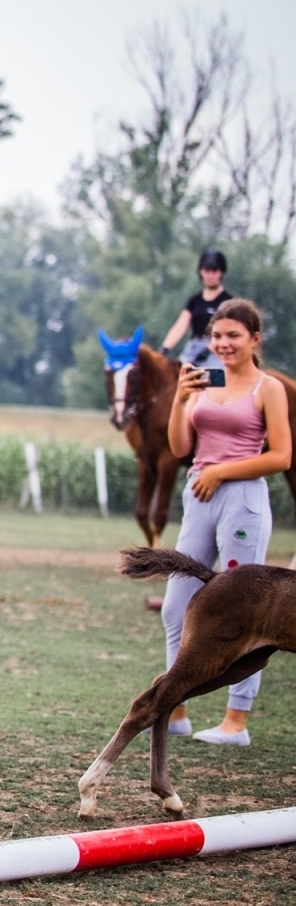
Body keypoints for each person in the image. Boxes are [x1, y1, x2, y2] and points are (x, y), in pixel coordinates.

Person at [160, 297, 291, 745]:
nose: (223, 343)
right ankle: (174, 707)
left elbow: (281, 455)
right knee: (178, 603)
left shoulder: (267, 388)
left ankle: (236, 720)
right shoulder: (200, 382)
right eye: (217, 335)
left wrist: (221, 471)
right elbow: (180, 448)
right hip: (199, 496)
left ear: (254, 339)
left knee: (246, 612)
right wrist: (180, 399)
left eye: (233, 335)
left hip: (242, 500)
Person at [160, 249, 232, 367]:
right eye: (207, 270)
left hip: (218, 350)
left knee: (216, 380)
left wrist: (210, 349)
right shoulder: (194, 300)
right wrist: (165, 348)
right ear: (201, 272)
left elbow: (228, 332)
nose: (210, 275)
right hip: (193, 348)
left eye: (214, 270)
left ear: (221, 272)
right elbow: (180, 326)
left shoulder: (228, 302)